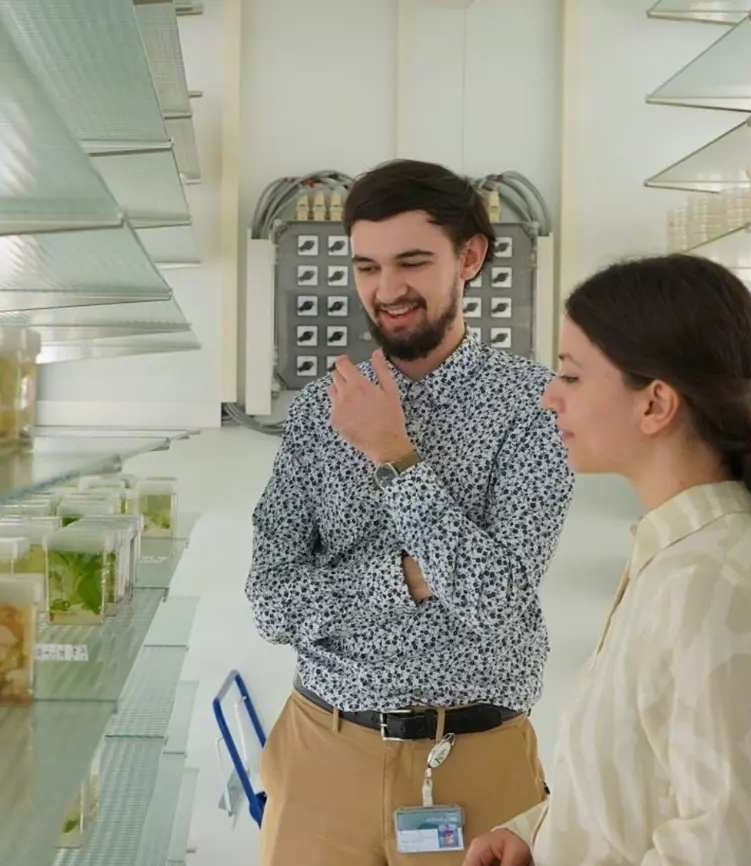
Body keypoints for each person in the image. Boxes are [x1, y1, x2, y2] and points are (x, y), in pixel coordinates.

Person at [246, 158, 574, 866]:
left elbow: (495, 601)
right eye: (367, 266)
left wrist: (395, 456)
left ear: (471, 258)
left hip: (480, 769)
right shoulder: (315, 413)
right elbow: (271, 604)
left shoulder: (536, 409)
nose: (387, 290)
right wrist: (411, 576)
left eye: (413, 262)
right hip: (320, 756)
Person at [463, 254, 751, 866]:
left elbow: (721, 851)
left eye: (573, 376)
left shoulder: (706, 586)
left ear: (656, 404)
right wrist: (541, 831)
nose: (550, 396)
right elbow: (649, 781)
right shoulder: (684, 554)